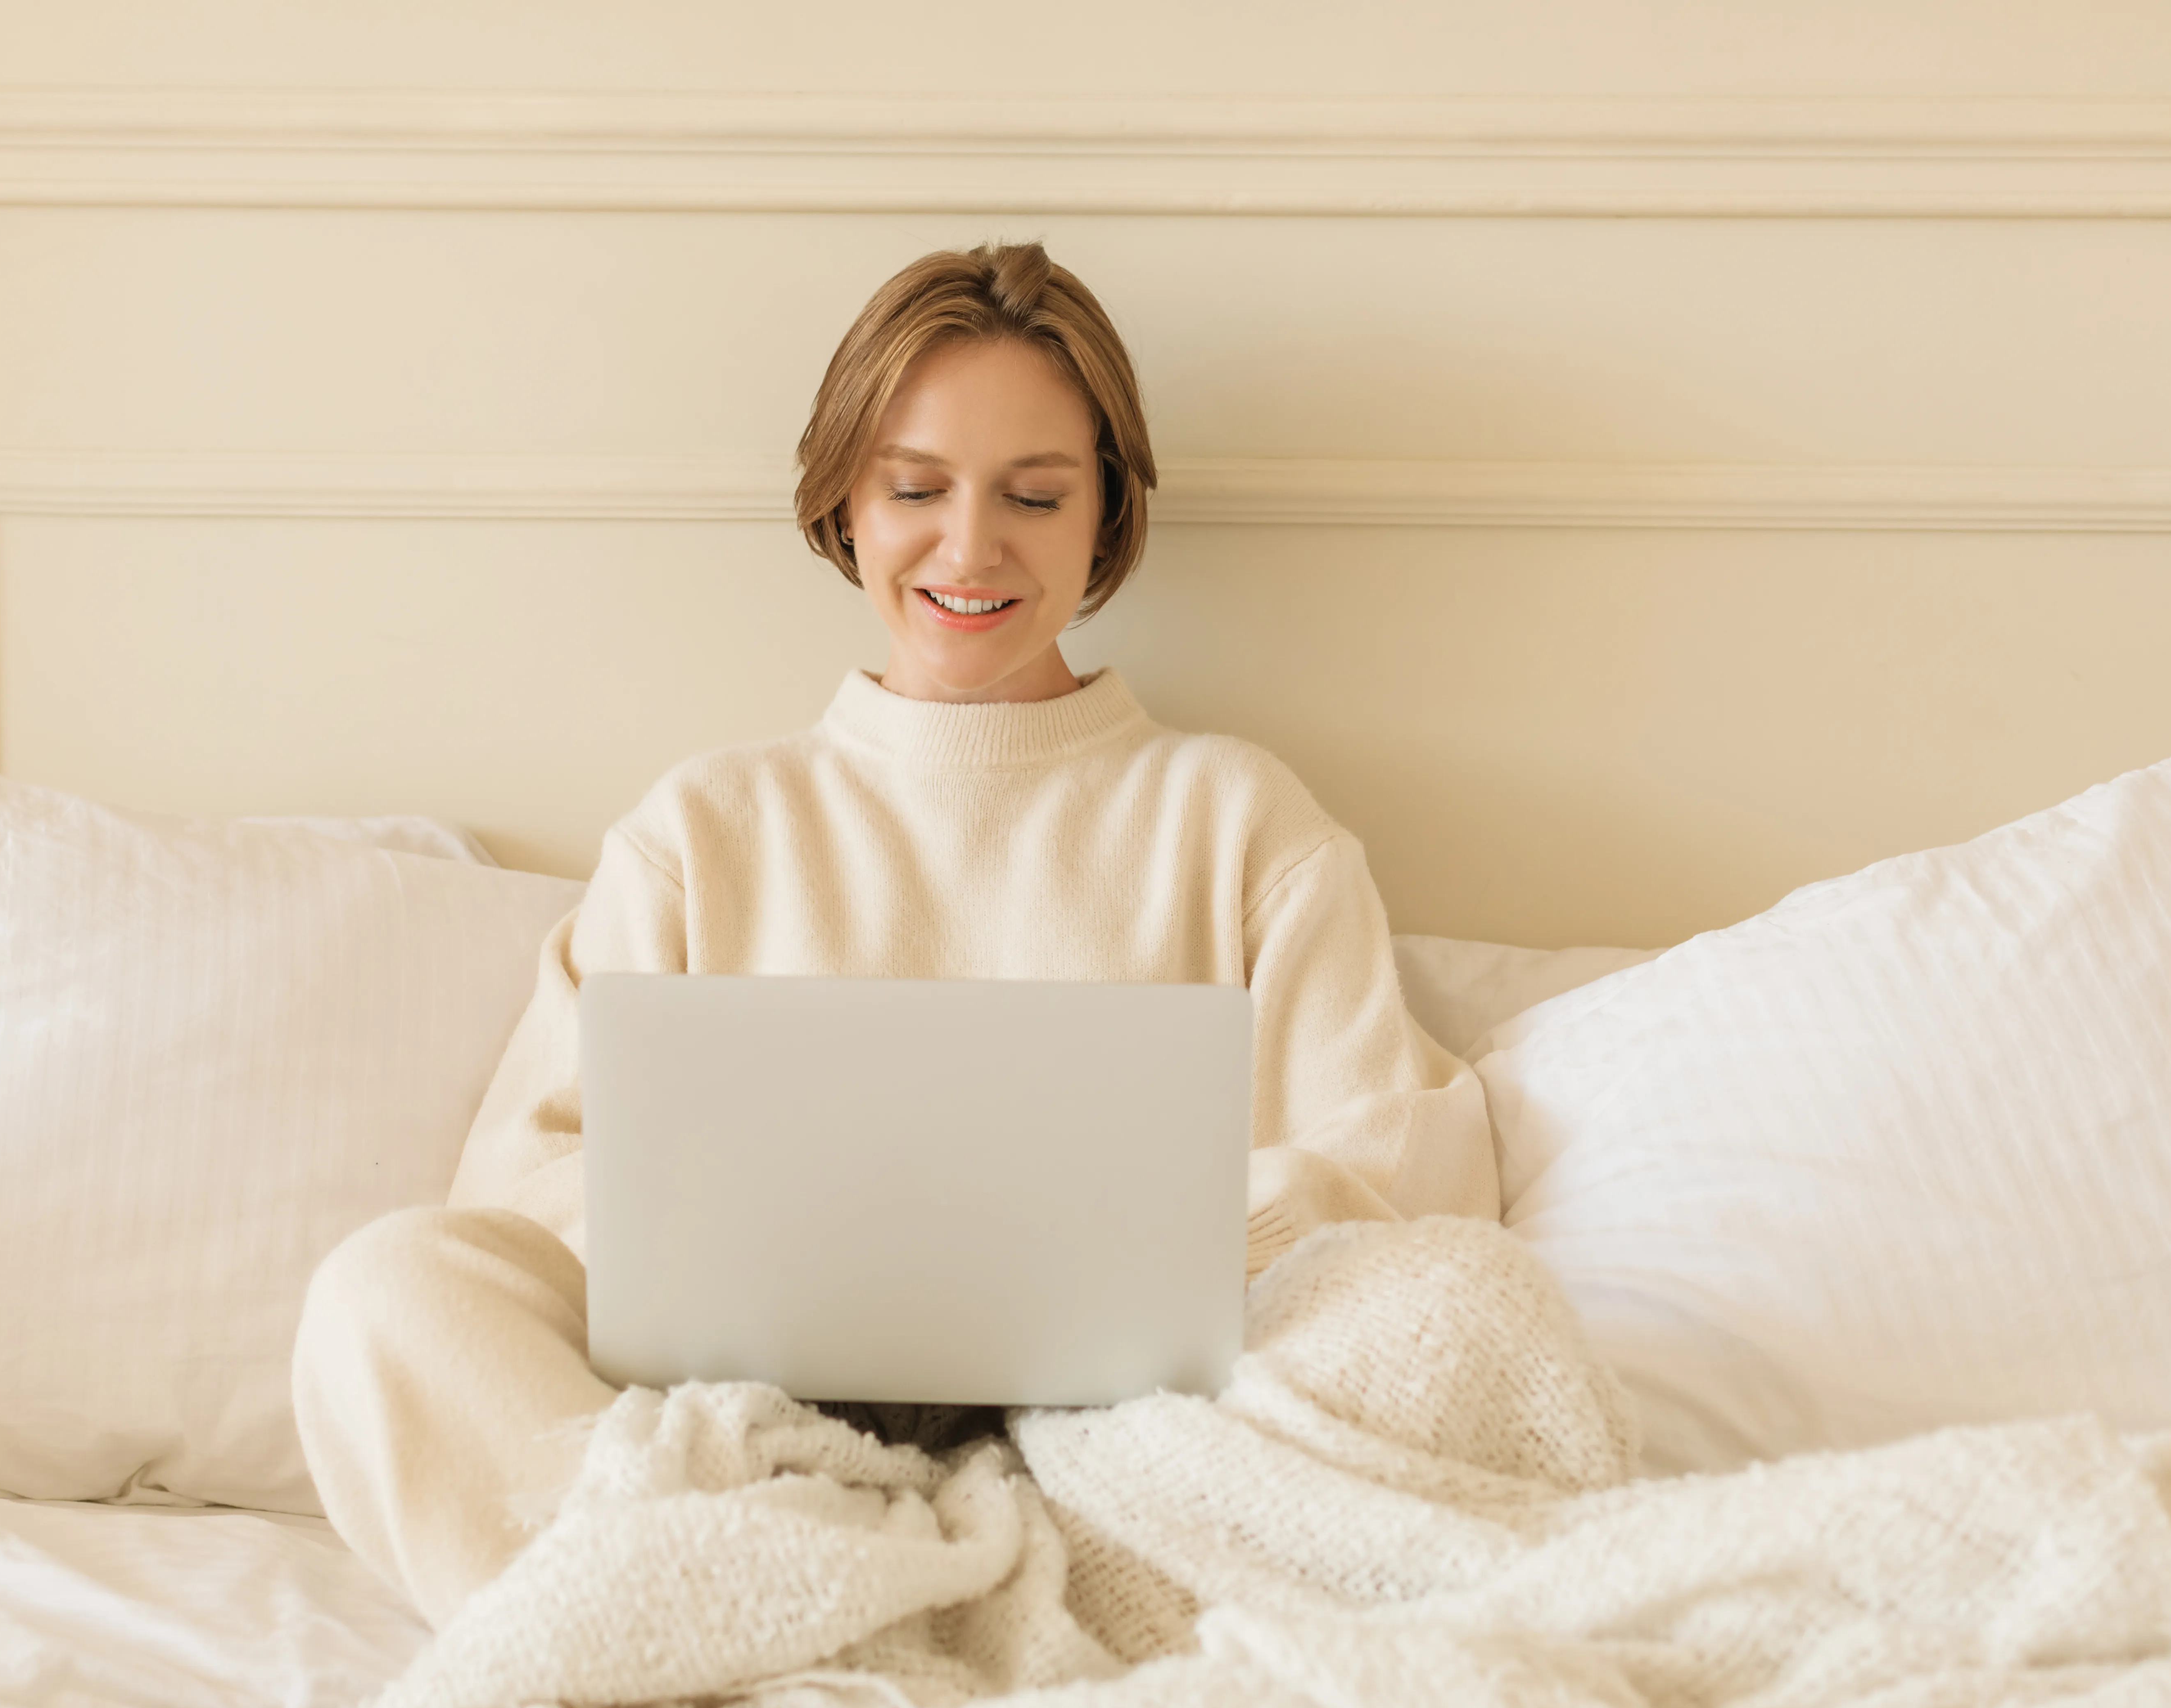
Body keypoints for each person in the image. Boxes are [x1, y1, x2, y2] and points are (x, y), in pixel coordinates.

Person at [291, 241, 1498, 1628]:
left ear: (1105, 511)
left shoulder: (1235, 820)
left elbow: (1414, 1171)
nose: (970, 546)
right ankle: (783, 1601)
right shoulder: (705, 828)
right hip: (748, 1457)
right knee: (384, 1290)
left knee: (1466, 1309)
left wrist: (1181, 1248)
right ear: (844, 506)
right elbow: (522, 1188)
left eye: (1033, 495)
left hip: (1123, 1464)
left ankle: (831, 1627)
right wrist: (742, 1258)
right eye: (916, 488)